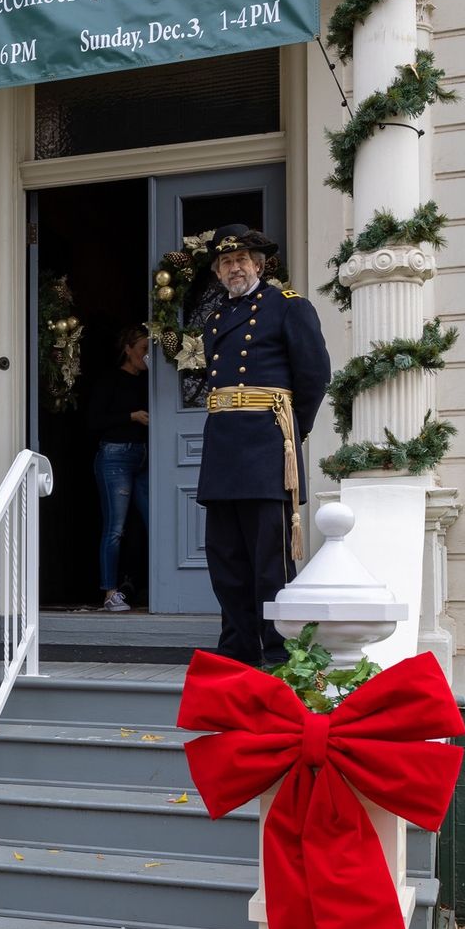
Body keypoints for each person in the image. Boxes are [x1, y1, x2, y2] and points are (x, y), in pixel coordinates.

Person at [196, 224, 331, 667]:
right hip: (223, 452)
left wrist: (291, 433)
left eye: (242, 260)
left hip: (268, 448)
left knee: (270, 562)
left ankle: (277, 654)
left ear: (259, 264)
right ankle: (236, 651)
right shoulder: (215, 320)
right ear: (218, 271)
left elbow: (313, 377)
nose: (234, 267)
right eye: (226, 262)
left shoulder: (288, 307)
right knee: (226, 560)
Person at [84, 326, 150, 611]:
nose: (147, 356)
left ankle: (151, 587)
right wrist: (131, 416)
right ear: (128, 349)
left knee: (155, 524)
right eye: (144, 349)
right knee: (116, 528)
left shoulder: (151, 382)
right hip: (115, 456)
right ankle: (110, 593)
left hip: (145, 457)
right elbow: (94, 421)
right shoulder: (110, 380)